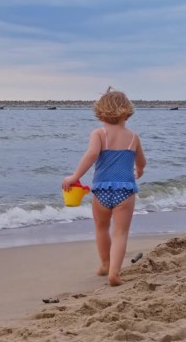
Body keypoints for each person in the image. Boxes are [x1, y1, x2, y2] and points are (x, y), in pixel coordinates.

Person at [62, 87, 146, 286]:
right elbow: (141, 162)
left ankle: (105, 264)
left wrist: (75, 176)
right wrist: (139, 171)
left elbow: (91, 155)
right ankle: (114, 274)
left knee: (101, 228)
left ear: (100, 114)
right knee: (120, 233)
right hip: (125, 191)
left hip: (101, 190)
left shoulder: (99, 133)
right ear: (126, 113)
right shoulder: (133, 137)